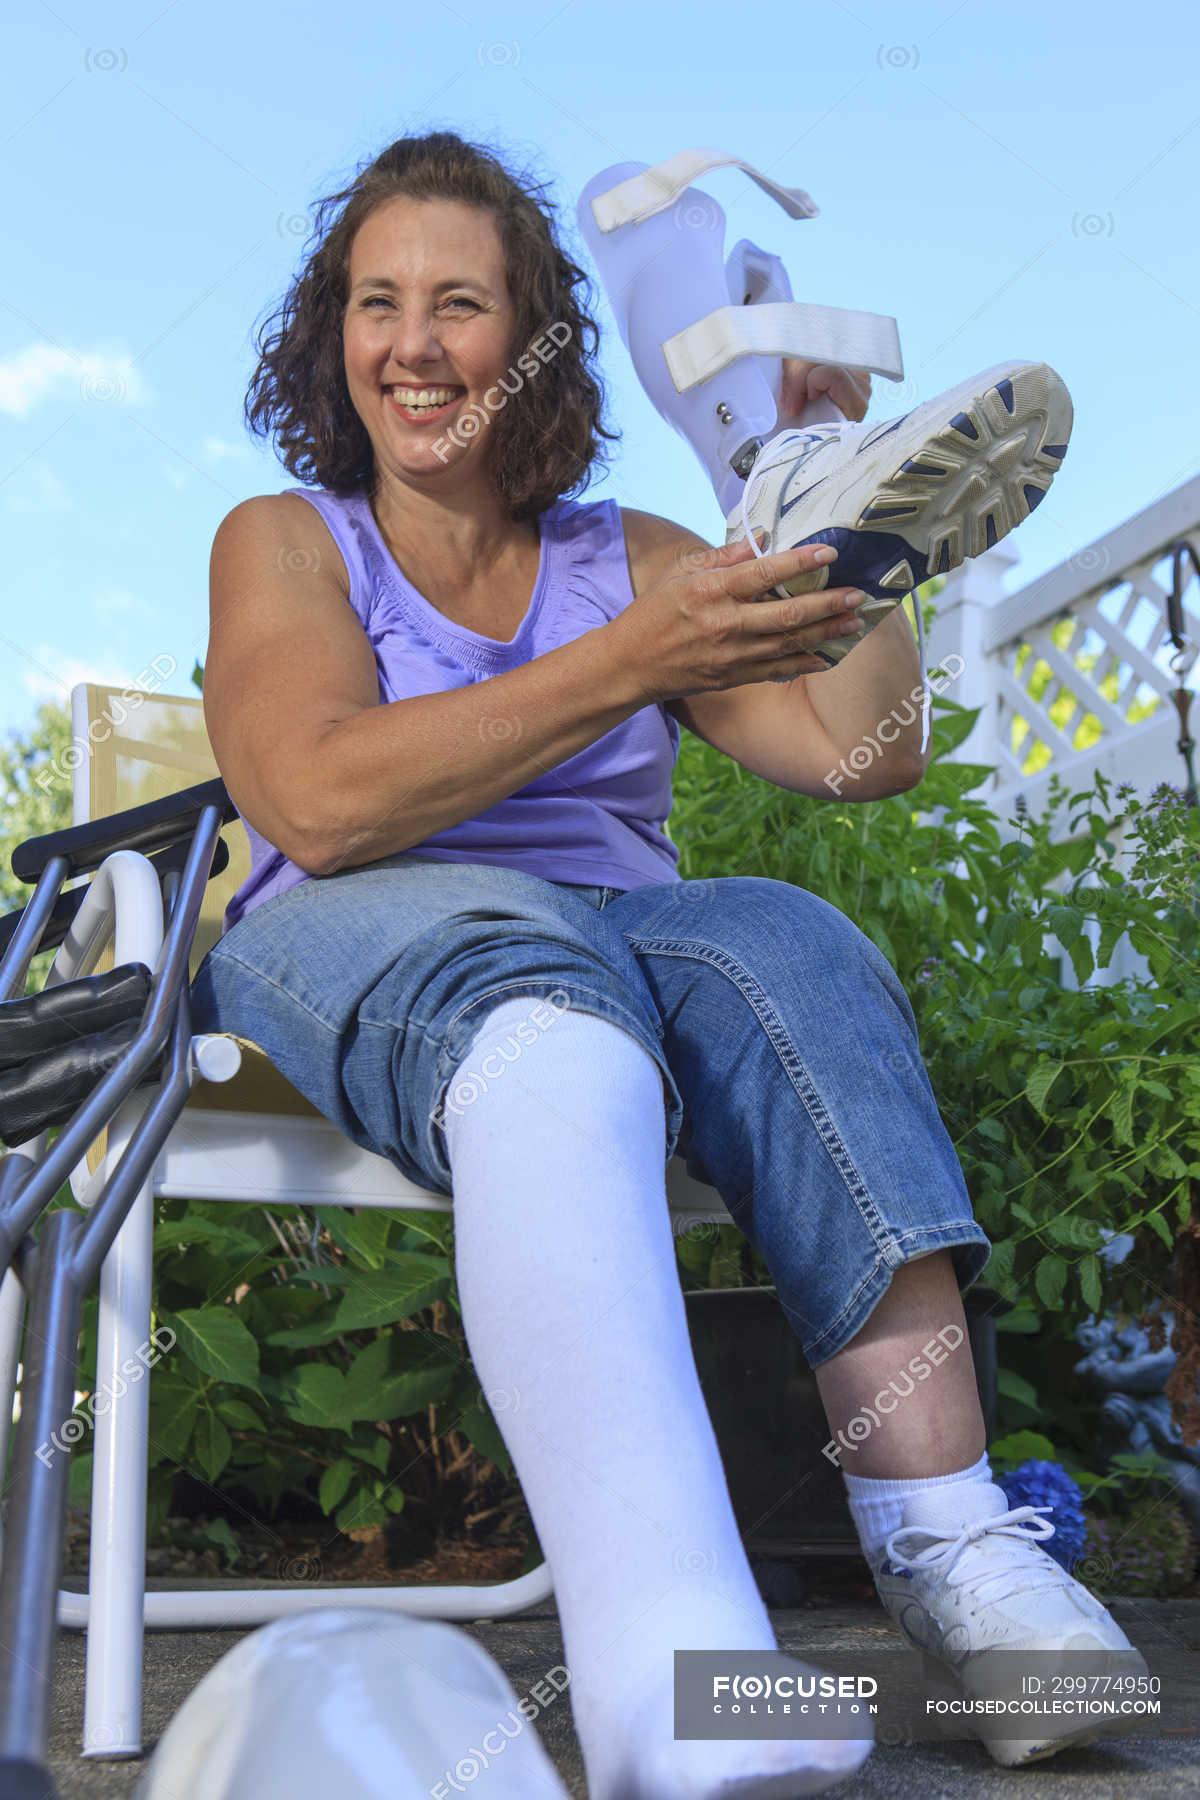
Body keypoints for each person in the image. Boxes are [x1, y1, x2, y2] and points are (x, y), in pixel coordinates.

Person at [190, 128, 1144, 1797]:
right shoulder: (286, 539)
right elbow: (322, 802)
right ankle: (683, 1675)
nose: (412, 344)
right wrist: (631, 663)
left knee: (789, 938)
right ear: (332, 334)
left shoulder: (625, 553)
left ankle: (961, 1555)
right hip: (377, 933)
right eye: (375, 302)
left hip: (627, 942)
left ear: (537, 333)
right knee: (549, 1008)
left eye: (461, 303)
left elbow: (867, 758)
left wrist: (859, 539)